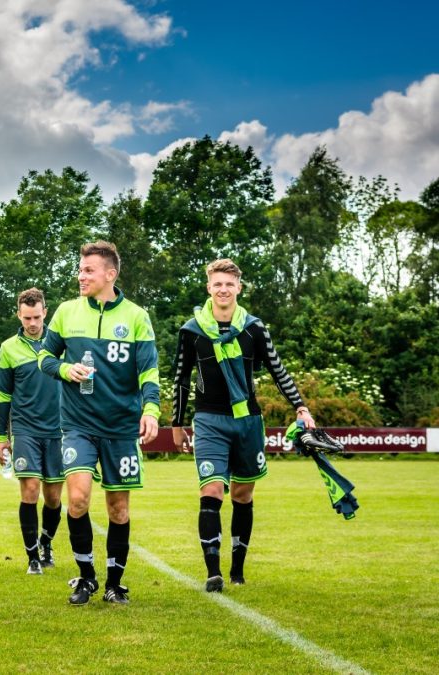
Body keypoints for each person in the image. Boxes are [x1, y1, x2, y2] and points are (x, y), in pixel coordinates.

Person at [171, 258, 316, 592]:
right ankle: (213, 571)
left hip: (248, 420)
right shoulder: (191, 330)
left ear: (239, 288)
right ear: (208, 287)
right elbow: (180, 378)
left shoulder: (254, 328)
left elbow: (278, 370)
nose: (223, 289)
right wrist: (177, 423)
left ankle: (237, 568)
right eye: (217, 284)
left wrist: (300, 406)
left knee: (242, 493)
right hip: (208, 420)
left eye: (229, 284)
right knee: (211, 489)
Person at [38, 241, 160, 606]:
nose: (81, 276)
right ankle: (86, 578)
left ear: (111, 273)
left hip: (121, 427)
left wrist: (150, 409)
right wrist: (64, 369)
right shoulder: (65, 312)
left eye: (88, 270)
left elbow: (149, 369)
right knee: (77, 499)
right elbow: (44, 356)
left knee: (118, 508)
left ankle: (114, 582)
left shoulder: (137, 316)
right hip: (77, 423)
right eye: (80, 269)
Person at [0, 288, 63, 575]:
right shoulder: (8, 347)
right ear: (18, 315)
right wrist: (1, 438)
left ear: (45, 312)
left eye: (36, 317)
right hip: (25, 429)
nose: (32, 323)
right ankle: (33, 557)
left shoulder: (61, 343)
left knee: (54, 498)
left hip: (59, 430)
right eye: (26, 318)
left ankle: (46, 542)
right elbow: (2, 395)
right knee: (30, 491)